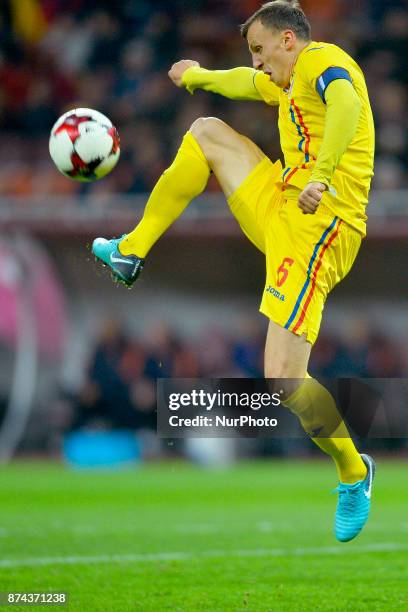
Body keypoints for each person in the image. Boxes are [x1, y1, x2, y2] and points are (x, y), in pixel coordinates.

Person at [92, 0, 375, 541]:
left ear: (289, 40)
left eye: (262, 50)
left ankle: (354, 473)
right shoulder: (286, 80)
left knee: (285, 379)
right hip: (282, 203)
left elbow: (345, 105)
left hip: (320, 226)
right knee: (205, 132)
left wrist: (322, 174)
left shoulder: (321, 63)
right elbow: (247, 83)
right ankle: (132, 249)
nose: (260, 62)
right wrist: (199, 76)